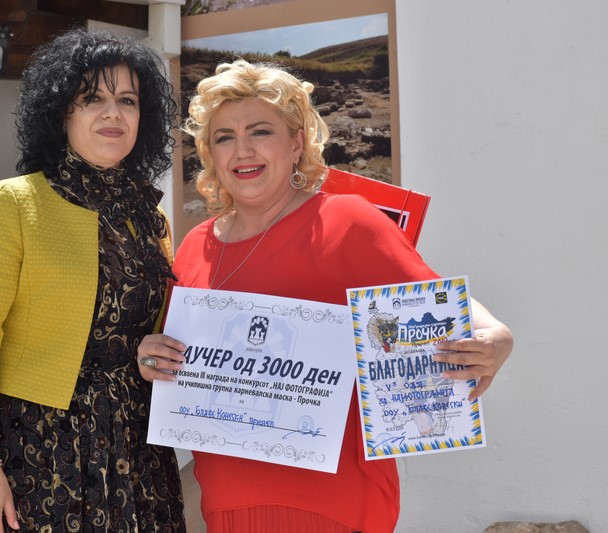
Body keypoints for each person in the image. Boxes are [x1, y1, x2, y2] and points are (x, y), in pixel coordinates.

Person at [136, 59, 513, 533]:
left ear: (297, 143)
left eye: (260, 131)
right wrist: (152, 359)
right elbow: (175, 359)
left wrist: (495, 335)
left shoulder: (347, 221)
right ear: (210, 153)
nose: (243, 149)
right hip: (228, 500)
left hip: (333, 502)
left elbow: (431, 299)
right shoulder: (196, 245)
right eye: (224, 137)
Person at [0, 28, 185, 533]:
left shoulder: (150, 218)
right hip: (39, 456)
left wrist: (148, 354)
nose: (113, 113)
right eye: (92, 98)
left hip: (139, 456)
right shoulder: (10, 203)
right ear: (60, 113)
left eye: (128, 100)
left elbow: (150, 335)